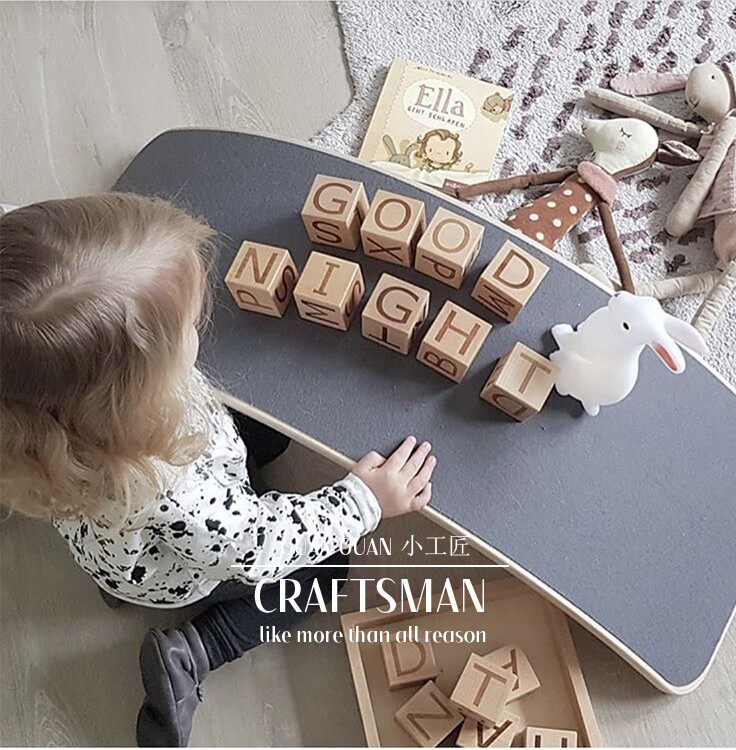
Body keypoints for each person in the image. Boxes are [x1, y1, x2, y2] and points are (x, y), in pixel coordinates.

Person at [0, 194, 436, 746]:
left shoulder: (36, 404)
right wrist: (365, 501)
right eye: (188, 327)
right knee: (326, 571)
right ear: (140, 395)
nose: (199, 328)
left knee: (270, 430)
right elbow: (259, 546)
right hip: (184, 565)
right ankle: (197, 651)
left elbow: (35, 280)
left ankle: (118, 585)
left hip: (112, 535)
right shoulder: (170, 481)